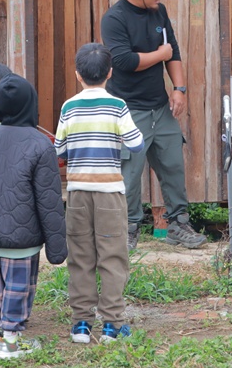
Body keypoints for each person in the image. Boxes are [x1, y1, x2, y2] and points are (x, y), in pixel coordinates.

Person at [100, 0, 205, 250]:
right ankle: (129, 227)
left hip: (161, 106)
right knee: (130, 172)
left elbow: (174, 51)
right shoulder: (114, 18)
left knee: (173, 164)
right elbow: (124, 61)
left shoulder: (159, 11)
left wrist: (179, 89)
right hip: (128, 108)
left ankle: (178, 224)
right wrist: (160, 53)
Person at [0, 74, 67, 360]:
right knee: (20, 286)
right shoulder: (40, 144)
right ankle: (11, 340)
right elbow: (48, 200)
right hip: (23, 234)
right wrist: (57, 247)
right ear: (30, 105)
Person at [54, 43, 144, 344]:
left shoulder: (68, 107)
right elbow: (136, 144)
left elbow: (60, 150)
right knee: (113, 257)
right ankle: (112, 325)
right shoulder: (118, 106)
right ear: (110, 73)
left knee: (80, 257)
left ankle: (81, 323)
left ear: (78, 75)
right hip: (109, 194)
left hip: (78, 193)